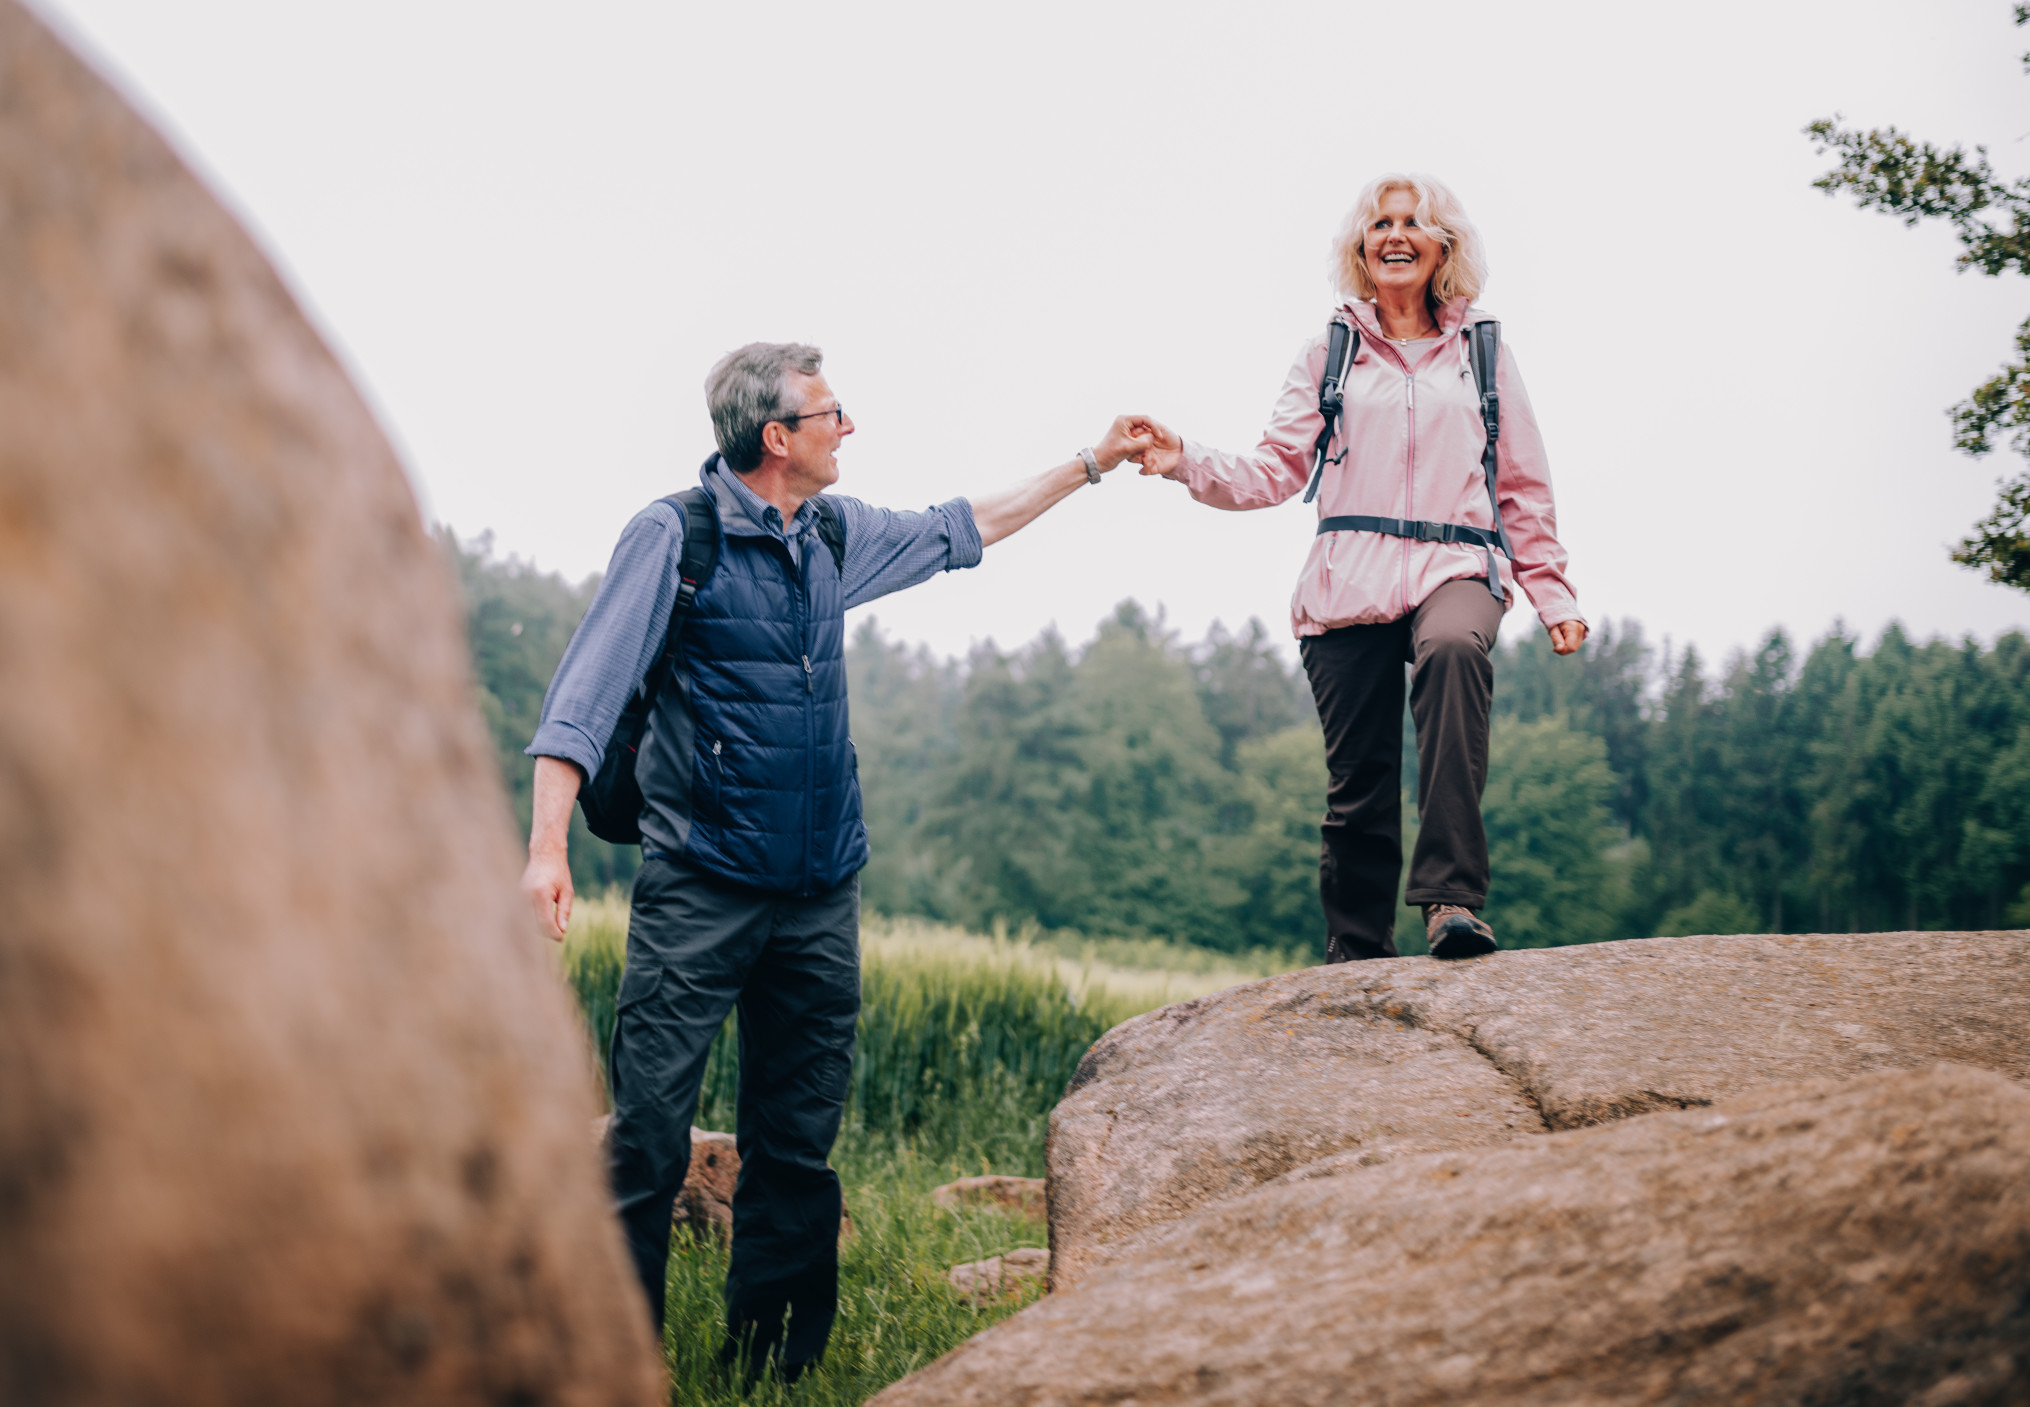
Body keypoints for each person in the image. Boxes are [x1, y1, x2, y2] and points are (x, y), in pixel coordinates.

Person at [519, 341, 1147, 1377]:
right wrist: (548, 849)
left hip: (817, 894)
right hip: (700, 888)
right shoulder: (675, 539)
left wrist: (1090, 462)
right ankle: (613, 1363)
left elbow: (963, 527)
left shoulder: (831, 535)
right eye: (831, 413)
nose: (848, 427)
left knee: (796, 1149)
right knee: (643, 1139)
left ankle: (767, 1372)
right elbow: (581, 699)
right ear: (778, 438)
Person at [1131, 173, 1586, 962]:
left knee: (1450, 651)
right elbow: (1273, 471)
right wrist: (1182, 460)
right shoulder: (1328, 353)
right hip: (1349, 575)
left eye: (1414, 222)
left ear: (1444, 245)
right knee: (1360, 781)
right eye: (1380, 223)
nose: (1395, 234)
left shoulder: (1483, 352)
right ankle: (1357, 950)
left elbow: (1522, 484)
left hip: (1456, 564)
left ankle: (1450, 900)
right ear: (1362, 247)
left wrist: (1552, 593)